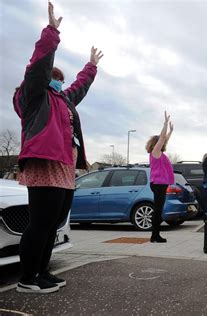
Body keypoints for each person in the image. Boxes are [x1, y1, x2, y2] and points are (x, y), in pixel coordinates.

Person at [14, 2, 103, 294]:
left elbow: (79, 86)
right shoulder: (34, 96)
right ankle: (27, 278)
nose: (59, 82)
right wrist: (52, 33)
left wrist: (91, 67)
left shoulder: (63, 100)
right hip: (43, 164)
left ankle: (42, 271)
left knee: (53, 225)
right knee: (40, 224)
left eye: (61, 79)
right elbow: (38, 66)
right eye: (55, 78)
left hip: (64, 168)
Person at [146, 111, 174, 243]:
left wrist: (171, 131)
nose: (163, 142)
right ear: (156, 144)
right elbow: (162, 138)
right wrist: (165, 124)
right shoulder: (155, 152)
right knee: (157, 210)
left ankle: (155, 235)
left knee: (158, 209)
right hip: (158, 183)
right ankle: (154, 235)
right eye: (161, 142)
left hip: (159, 183)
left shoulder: (159, 153)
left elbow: (164, 138)